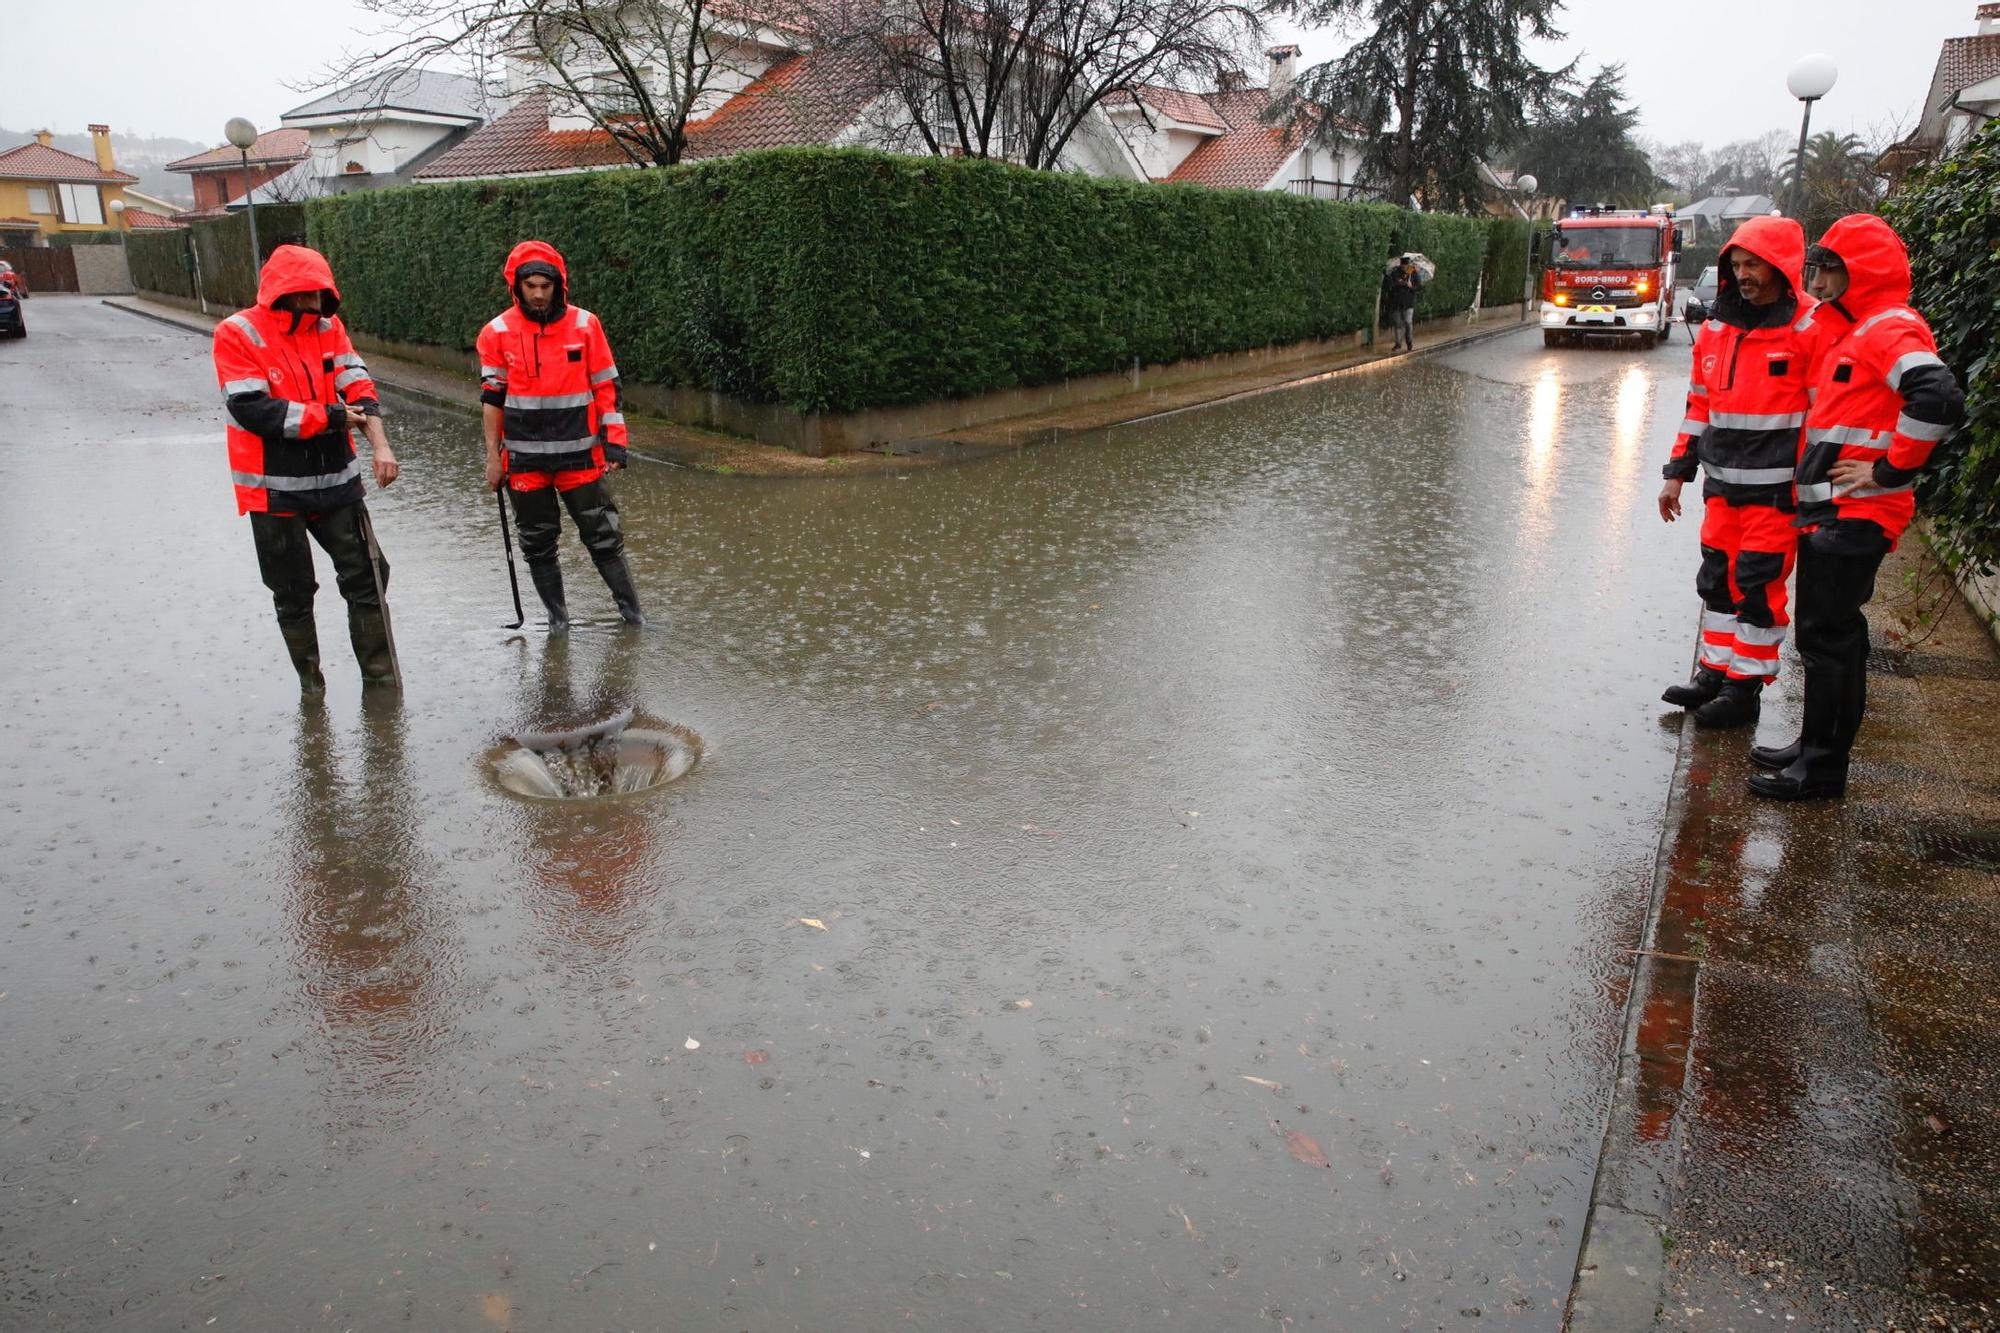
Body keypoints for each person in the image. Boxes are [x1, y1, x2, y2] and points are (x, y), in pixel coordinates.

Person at [1747, 214, 1964, 800]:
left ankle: (1821, 767)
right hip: (1835, 513)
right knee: (1825, 640)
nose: (1817, 284)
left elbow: (1939, 395)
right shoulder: (1854, 327)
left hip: (1857, 514)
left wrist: (1889, 470)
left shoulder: (1887, 328)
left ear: (1858, 273)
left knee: (1831, 640)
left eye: (1827, 272)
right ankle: (1814, 747)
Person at [1657, 216, 1825, 729]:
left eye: (1753, 263)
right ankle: (1714, 673)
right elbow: (1698, 407)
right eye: (1737, 264)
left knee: (1757, 588)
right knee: (1718, 583)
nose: (1744, 273)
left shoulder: (1809, 329)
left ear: (1780, 265)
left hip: (1777, 493)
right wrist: (1676, 474)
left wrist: (1814, 493)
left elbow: (1824, 418)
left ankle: (1744, 688)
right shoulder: (1716, 328)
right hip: (1723, 488)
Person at [213, 244, 400, 694]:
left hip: (337, 481)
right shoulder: (237, 333)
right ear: (283, 291)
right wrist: (330, 417)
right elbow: (254, 410)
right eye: (307, 293)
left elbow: (358, 385)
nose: (316, 303)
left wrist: (381, 445)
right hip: (273, 491)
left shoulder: (329, 328)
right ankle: (311, 686)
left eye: (322, 294)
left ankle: (381, 684)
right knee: (293, 592)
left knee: (370, 575)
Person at [479, 240, 642, 631]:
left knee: (603, 537)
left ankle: (633, 616)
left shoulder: (586, 325)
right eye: (530, 285)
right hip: (523, 461)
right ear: (516, 286)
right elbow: (491, 400)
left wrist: (615, 442)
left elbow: (607, 387)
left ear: (558, 285)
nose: (538, 293)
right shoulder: (496, 332)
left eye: (545, 285)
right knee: (537, 543)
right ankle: (558, 622)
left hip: (581, 457)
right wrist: (491, 458)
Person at [1380, 254, 1422, 353]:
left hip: (1408, 303)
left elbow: (1419, 287)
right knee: (1398, 324)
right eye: (1403, 265)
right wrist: (1397, 284)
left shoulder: (1413, 273)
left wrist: (1411, 286)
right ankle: (1398, 344)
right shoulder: (1395, 273)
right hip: (1396, 302)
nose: (1404, 267)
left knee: (1408, 322)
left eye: (1406, 265)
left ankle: (1409, 342)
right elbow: (1390, 285)